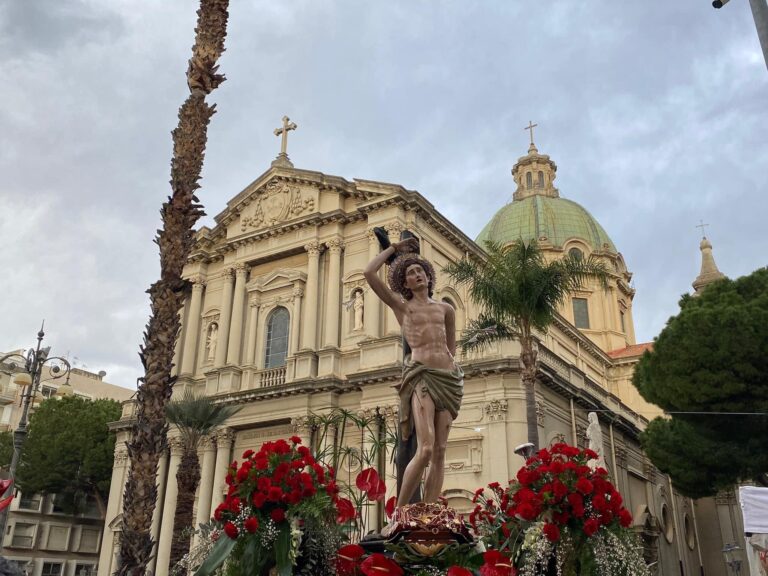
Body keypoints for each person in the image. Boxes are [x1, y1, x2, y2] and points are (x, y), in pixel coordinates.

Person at [364, 236, 464, 507]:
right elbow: (369, 273)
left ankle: (430, 513)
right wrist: (394, 249)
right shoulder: (402, 307)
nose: (417, 275)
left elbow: (451, 346)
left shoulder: (446, 309)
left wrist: (452, 365)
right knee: (426, 448)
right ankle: (399, 514)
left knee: (441, 451)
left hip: (448, 379)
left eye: (420, 271)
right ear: (404, 283)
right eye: (410, 273)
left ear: (428, 277)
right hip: (422, 378)